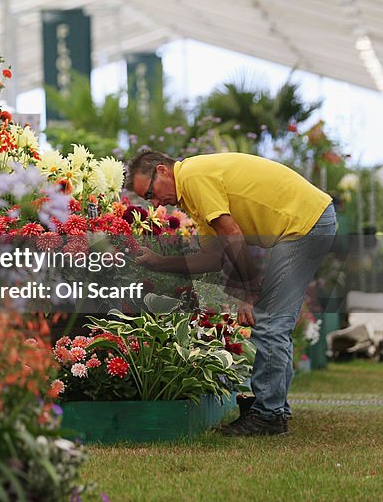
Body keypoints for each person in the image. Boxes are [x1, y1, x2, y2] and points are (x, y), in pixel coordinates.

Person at [127, 150, 336, 436]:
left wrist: (249, 293)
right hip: (308, 220)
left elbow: (233, 235)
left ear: (162, 171)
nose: (153, 202)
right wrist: (157, 262)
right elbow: (213, 258)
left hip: (305, 223)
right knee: (275, 322)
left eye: (150, 192)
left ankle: (268, 415)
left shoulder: (194, 177)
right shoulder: (192, 195)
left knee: (270, 323)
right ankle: (274, 408)